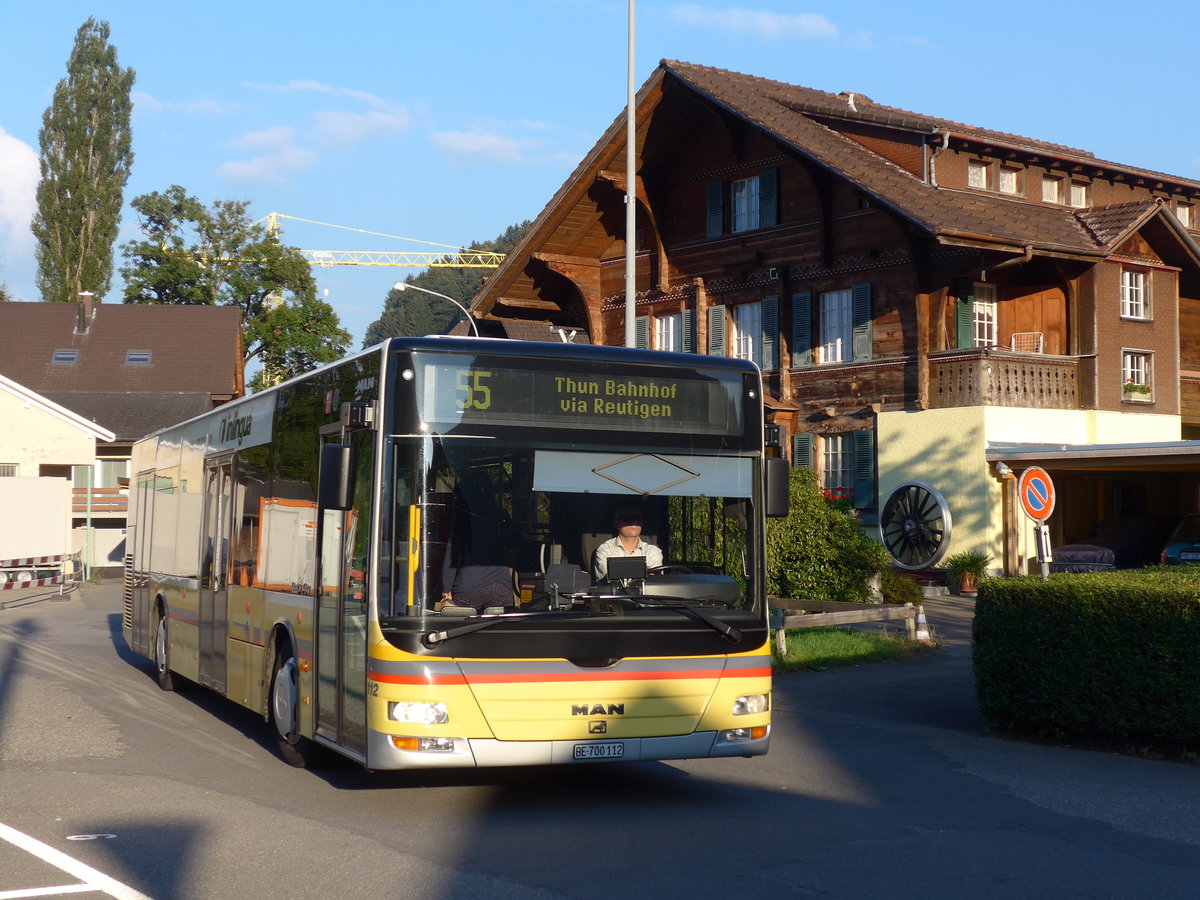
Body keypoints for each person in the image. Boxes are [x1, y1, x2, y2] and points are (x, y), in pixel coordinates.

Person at [592, 505, 662, 581]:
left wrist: (619, 571)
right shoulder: (605, 550)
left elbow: (654, 578)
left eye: (638, 518)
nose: (634, 522)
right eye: (628, 518)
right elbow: (609, 577)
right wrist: (643, 570)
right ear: (616, 524)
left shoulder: (653, 551)